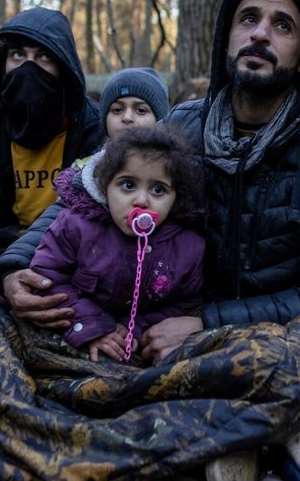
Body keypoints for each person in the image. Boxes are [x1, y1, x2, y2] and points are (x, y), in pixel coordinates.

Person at [77, 0, 300, 365]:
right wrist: (15, 268)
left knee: (294, 379)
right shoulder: (181, 126)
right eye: (249, 19)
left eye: (282, 26)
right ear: (227, 40)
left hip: (272, 345)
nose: (260, 34)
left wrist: (208, 324)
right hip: (161, 321)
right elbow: (85, 193)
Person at [0, 67, 170, 322]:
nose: (127, 118)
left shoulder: (176, 175)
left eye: (141, 110)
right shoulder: (85, 175)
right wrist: (12, 265)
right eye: (116, 110)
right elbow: (49, 224)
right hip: (88, 302)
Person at [28, 125, 205, 362]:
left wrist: (137, 327)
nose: (141, 200)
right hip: (75, 329)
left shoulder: (188, 248)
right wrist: (92, 325)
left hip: (135, 343)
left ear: (176, 198)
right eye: (128, 185)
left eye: (158, 189)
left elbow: (188, 302)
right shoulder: (75, 226)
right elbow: (47, 277)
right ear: (104, 187)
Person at [0, 8, 103, 264]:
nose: (29, 68)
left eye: (44, 57)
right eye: (18, 55)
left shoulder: (94, 129)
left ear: (63, 67)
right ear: (3, 64)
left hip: (71, 259)